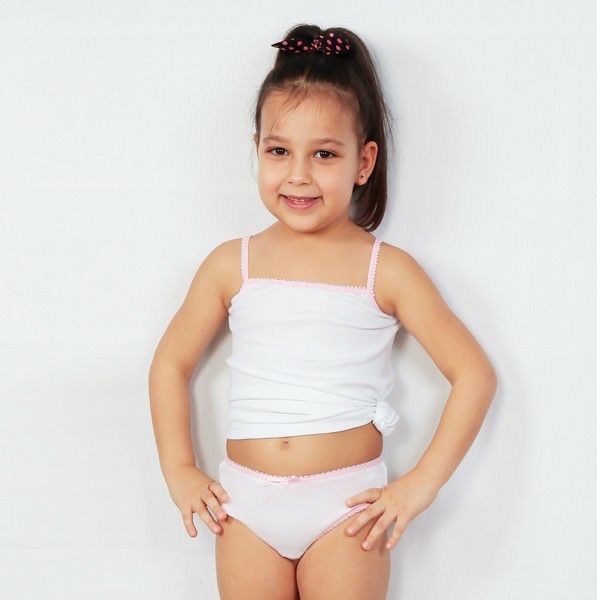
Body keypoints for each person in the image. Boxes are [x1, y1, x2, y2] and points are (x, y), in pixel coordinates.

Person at [148, 23, 497, 600]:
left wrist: (421, 485)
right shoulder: (231, 264)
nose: (299, 174)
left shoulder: (386, 269)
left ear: (363, 162)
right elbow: (169, 364)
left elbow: (473, 374)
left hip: (347, 510)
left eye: (325, 154)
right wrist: (179, 468)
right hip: (244, 507)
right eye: (278, 151)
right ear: (257, 149)